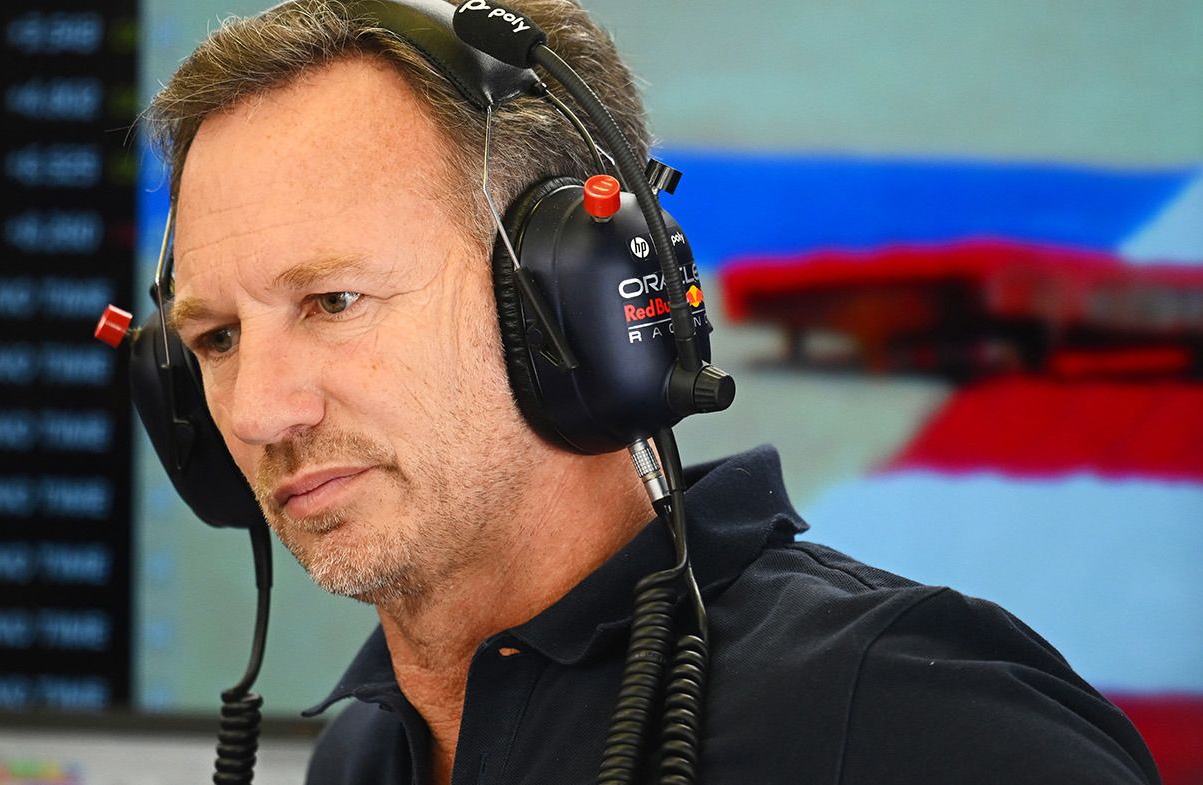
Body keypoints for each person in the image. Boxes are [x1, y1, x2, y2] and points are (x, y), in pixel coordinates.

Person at [146, 1, 1161, 782]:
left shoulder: (906, 710)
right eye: (217, 336)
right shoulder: (363, 751)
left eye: (332, 299)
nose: (255, 409)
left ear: (576, 298)